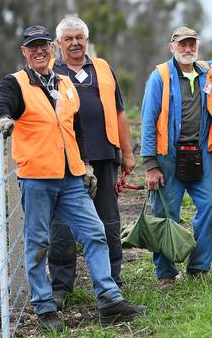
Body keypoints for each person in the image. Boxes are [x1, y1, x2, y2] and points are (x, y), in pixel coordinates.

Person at [0, 25, 145, 332]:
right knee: (38, 243)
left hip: (72, 177)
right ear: (24, 52)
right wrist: (4, 119)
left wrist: (86, 165)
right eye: (32, 47)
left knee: (95, 232)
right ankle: (45, 308)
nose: (39, 51)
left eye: (43, 46)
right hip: (37, 177)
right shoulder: (16, 83)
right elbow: (2, 104)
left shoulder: (64, 83)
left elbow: (76, 130)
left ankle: (109, 301)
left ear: (52, 48)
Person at [47, 16, 136, 309]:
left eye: (79, 38)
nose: (75, 43)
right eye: (68, 38)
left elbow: (120, 112)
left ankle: (113, 284)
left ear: (87, 39)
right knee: (61, 226)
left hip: (105, 157)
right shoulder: (48, 71)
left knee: (109, 223)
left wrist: (127, 152)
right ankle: (61, 287)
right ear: (59, 43)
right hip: (64, 161)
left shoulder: (103, 68)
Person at [140, 26, 212, 287]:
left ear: (197, 47)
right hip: (168, 156)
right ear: (172, 47)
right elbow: (147, 121)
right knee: (166, 213)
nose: (187, 50)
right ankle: (166, 274)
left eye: (192, 45)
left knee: (208, 207)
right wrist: (151, 164)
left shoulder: (207, 71)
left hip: (200, 152)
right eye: (182, 45)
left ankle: (199, 267)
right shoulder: (160, 76)